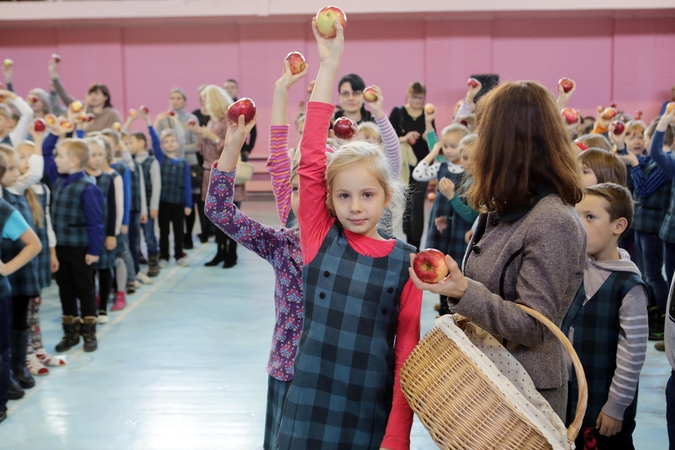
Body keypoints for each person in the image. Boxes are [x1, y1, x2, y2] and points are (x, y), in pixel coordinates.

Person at [277, 19, 422, 449]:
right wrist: (329, 63)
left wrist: (397, 435)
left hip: (368, 410)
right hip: (308, 403)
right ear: (329, 199)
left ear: (387, 196)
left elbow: (406, 355)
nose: (355, 206)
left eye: (366, 194)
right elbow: (310, 156)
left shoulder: (406, 262)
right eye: (343, 195)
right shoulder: (319, 236)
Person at [408, 80, 587, 421]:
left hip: (525, 398)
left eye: (485, 134)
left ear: (507, 144)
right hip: (486, 384)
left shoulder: (552, 220)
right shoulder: (504, 205)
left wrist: (463, 291)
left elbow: (536, 327)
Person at [562, 183, 648, 449]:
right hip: (570, 396)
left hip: (603, 403)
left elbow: (632, 356)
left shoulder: (628, 286)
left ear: (618, 225)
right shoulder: (576, 269)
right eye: (576, 216)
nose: (579, 225)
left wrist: (616, 407)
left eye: (590, 217)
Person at [41, 129, 104, 353]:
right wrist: (54, 134)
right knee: (65, 289)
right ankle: (71, 332)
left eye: (61, 156)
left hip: (81, 248)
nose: (56, 160)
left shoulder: (88, 187)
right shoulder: (58, 178)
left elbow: (95, 222)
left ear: (74, 161)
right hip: (61, 247)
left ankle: (89, 332)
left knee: (85, 288)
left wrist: (94, 250)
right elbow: (46, 154)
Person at [614, 119, 672, 342]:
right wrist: (622, 148)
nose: (639, 142)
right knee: (647, 273)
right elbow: (638, 162)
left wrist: (634, 165)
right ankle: (653, 314)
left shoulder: (664, 165)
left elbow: (644, 189)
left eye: (642, 137)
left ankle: (662, 320)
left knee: (655, 275)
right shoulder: (650, 161)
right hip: (642, 226)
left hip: (653, 227)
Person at [0, 156, 42, 424]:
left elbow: (33, 244)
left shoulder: (3, 210)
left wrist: (5, 268)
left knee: (0, 351)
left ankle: (1, 402)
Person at [191, 85, 242, 268]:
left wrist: (211, 136)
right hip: (210, 171)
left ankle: (232, 254)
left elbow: (230, 148)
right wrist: (200, 137)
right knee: (217, 218)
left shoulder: (228, 121)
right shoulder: (213, 120)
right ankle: (220, 252)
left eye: (205, 99)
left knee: (231, 217)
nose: (202, 103)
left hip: (226, 173)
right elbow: (206, 150)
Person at [389, 81, 435, 250]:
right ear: (408, 95)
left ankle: (415, 245)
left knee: (417, 204)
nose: (417, 100)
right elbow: (388, 136)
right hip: (403, 166)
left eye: (420, 97)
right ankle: (408, 241)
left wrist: (426, 134)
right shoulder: (398, 112)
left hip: (422, 166)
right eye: (414, 97)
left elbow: (433, 140)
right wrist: (405, 137)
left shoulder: (427, 114)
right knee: (406, 203)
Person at [154, 88, 199, 249]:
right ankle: (166, 249)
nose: (175, 101)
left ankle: (188, 237)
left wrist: (177, 149)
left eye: (179, 98)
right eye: (172, 98)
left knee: (189, 200)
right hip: (167, 164)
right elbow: (157, 141)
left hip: (187, 161)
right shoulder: (164, 118)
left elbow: (196, 144)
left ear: (185, 101)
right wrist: (168, 151)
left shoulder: (191, 119)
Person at [648, 109, 675, 351]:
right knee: (670, 283)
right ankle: (670, 338)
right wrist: (664, 123)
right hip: (671, 234)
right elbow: (656, 152)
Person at [83, 136, 118, 324]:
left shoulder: (108, 179)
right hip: (86, 233)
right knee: (88, 273)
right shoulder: (81, 179)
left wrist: (112, 233)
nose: (97, 158)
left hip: (104, 232)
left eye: (99, 154)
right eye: (92, 155)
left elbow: (112, 208)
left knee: (105, 271)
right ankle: (89, 307)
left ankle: (103, 306)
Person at [127, 112, 162, 277]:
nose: (129, 145)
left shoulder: (151, 161)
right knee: (135, 236)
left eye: (131, 142)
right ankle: (139, 257)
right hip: (135, 206)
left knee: (149, 235)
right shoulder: (131, 162)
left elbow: (156, 185)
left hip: (148, 206)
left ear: (141, 143)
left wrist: (154, 206)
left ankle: (153, 260)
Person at [153, 128, 191, 267]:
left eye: (172, 141)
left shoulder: (183, 163)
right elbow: (155, 143)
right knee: (164, 231)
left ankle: (179, 255)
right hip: (163, 202)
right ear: (162, 146)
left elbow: (187, 183)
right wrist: (150, 124)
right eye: (166, 142)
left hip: (178, 203)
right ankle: (164, 256)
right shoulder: (161, 160)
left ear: (177, 144)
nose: (169, 144)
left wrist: (188, 204)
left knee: (179, 231)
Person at [48, 60, 121, 132]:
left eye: (96, 93)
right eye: (90, 94)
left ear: (106, 97)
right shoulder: (82, 109)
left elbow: (119, 133)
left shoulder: (112, 114)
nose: (93, 96)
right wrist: (53, 74)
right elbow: (64, 96)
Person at [223, 79, 257, 161]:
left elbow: (253, 132)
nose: (229, 89)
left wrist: (248, 149)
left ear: (237, 90)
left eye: (232, 87)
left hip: (240, 149)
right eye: (227, 87)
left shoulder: (243, 108)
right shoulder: (219, 108)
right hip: (221, 150)